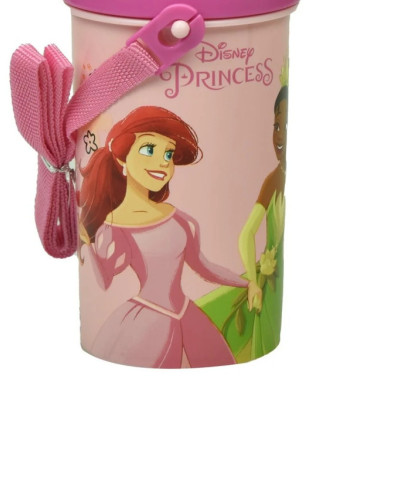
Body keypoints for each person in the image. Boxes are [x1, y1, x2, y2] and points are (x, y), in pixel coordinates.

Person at [78, 105, 246, 368]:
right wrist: (87, 245)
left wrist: (247, 283)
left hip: (186, 313)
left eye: (168, 154)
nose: (163, 163)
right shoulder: (112, 226)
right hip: (148, 318)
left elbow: (204, 266)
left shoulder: (179, 219)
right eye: (149, 150)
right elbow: (105, 280)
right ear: (122, 159)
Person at [197, 81, 288, 361]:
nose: (279, 135)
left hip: (271, 281)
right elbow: (246, 234)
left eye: (285, 125)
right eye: (276, 125)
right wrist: (254, 282)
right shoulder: (273, 179)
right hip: (264, 281)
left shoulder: (278, 176)